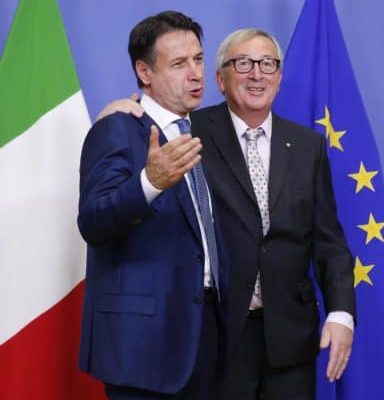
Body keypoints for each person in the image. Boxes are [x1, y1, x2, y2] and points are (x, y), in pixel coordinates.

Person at [98, 28, 355, 400]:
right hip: (217, 339)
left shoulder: (307, 146)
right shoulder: (187, 133)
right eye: (243, 63)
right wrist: (118, 110)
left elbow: (329, 240)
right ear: (220, 79)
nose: (257, 74)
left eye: (268, 64)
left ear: (280, 77)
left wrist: (341, 313)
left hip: (291, 342)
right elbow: (140, 139)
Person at [77, 11, 225, 400]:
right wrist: (149, 183)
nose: (195, 74)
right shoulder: (118, 128)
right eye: (178, 64)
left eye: (198, 59)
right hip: (142, 349)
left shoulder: (203, 133)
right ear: (144, 73)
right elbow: (93, 221)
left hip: (205, 339)